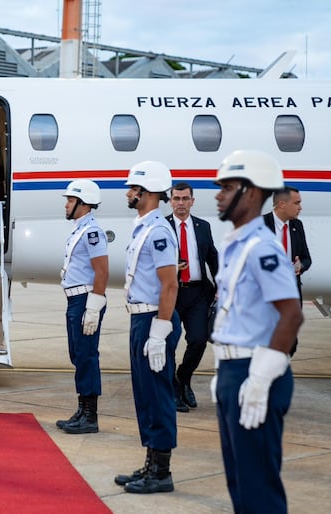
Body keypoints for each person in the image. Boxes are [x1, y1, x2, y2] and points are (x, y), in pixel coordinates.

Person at [211, 150, 304, 513]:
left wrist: (261, 377)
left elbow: (291, 314)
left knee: (258, 488)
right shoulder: (237, 243)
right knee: (240, 483)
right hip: (235, 370)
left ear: (250, 193)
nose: (218, 194)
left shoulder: (262, 247)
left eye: (227, 187)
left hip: (256, 371)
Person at [114, 161, 182, 494]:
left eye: (133, 188)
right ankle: (150, 464)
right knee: (144, 395)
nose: (129, 193)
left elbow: (170, 284)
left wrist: (161, 330)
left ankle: (162, 472)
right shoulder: (143, 226)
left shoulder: (158, 231)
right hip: (141, 317)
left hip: (156, 318)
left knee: (157, 395)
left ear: (147, 193)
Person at [56, 180, 109, 434]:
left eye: (70, 200)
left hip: (85, 299)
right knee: (77, 355)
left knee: (87, 356)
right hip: (75, 299)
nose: (66, 205)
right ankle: (82, 409)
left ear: (83, 204)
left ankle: (90, 415)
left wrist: (93, 308)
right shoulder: (80, 228)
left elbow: (102, 271)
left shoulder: (92, 232)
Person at [166, 182, 219, 412]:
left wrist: (222, 284)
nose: (180, 203)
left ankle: (183, 378)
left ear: (192, 201)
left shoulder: (202, 226)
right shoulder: (162, 226)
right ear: (170, 201)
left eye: (185, 198)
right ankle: (172, 389)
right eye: (176, 199)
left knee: (198, 340)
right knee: (168, 342)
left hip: (198, 292)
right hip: (172, 292)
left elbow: (213, 258)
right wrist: (171, 268)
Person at [263, 186, 311, 356]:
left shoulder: (297, 225)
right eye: (297, 203)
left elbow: (306, 257)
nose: (300, 207)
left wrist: (301, 266)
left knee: (291, 342)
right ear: (282, 204)